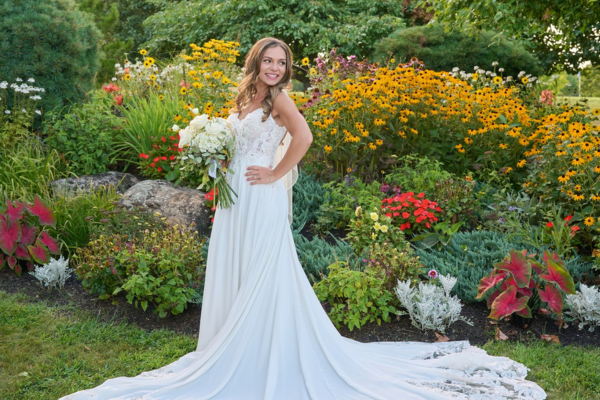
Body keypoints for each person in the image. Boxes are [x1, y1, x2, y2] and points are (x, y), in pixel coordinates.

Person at [60, 37, 546, 400]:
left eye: (282, 63)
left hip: (262, 198)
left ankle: (259, 350)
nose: (275, 68)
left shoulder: (280, 100)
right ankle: (232, 343)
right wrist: (213, 158)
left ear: (286, 70)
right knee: (240, 269)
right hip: (236, 201)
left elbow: (306, 138)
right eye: (268, 61)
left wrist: (274, 173)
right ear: (256, 63)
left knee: (266, 275)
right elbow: (236, 143)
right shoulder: (244, 97)